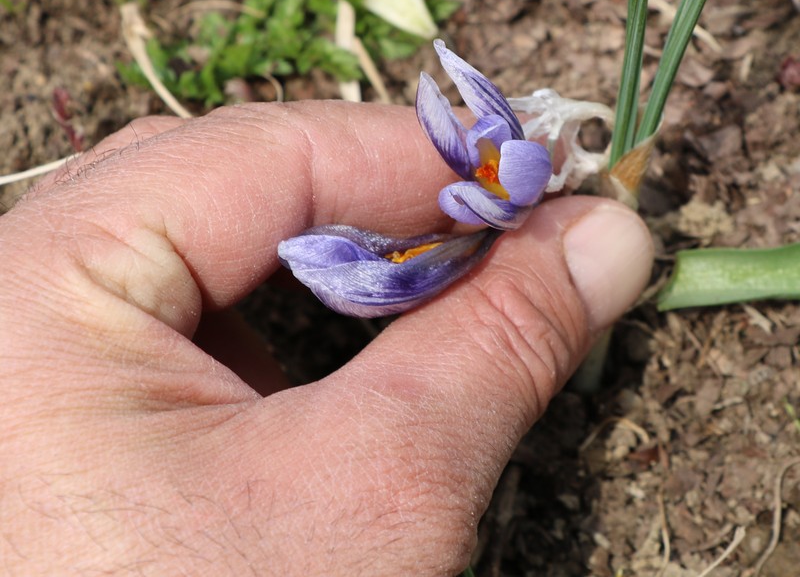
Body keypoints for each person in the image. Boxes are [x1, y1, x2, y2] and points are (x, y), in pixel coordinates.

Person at [0, 102, 653, 576]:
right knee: (398, 259)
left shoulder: (482, 184)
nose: (485, 164)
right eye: (485, 166)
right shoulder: (480, 191)